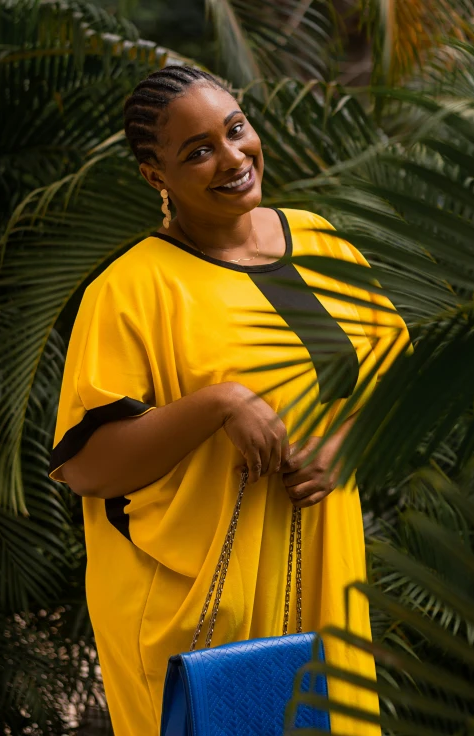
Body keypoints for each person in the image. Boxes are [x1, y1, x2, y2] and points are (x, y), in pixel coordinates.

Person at [47, 65, 410, 736]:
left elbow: (396, 380)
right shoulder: (134, 287)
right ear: (156, 177)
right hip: (199, 611)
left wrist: (344, 444)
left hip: (321, 580)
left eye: (235, 130)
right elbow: (88, 465)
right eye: (198, 151)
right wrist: (217, 403)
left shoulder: (313, 245)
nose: (232, 157)